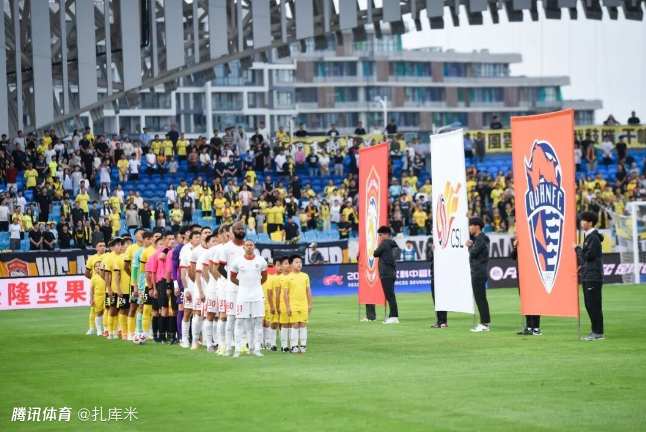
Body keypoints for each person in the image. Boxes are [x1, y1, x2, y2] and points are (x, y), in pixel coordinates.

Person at [230, 239, 268, 357]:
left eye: (251, 245)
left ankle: (257, 349)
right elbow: (232, 277)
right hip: (242, 296)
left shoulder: (261, 261)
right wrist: (243, 285)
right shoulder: (237, 261)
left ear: (254, 247)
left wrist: (255, 286)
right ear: (244, 247)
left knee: (258, 321)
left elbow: (264, 277)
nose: (249, 247)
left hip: (257, 295)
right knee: (239, 322)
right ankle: (237, 350)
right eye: (247, 245)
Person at [217, 222, 248, 356]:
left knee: (244, 316)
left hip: (246, 288)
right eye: (238, 229)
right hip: (231, 288)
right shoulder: (226, 248)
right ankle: (227, 346)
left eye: (242, 228)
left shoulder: (248, 246)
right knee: (231, 316)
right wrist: (231, 279)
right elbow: (220, 268)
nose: (241, 230)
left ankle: (243, 344)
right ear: (232, 231)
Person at [574, 211, 605, 340]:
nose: (581, 222)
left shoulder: (593, 238)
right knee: (589, 305)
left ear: (590, 223)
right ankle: (595, 331)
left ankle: (598, 332)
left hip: (593, 276)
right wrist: (582, 266)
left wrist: (577, 249)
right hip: (588, 274)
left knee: (594, 305)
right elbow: (588, 258)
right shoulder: (589, 237)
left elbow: (590, 256)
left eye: (583, 221)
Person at [186, 227, 212, 349]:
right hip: (199, 285)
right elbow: (192, 272)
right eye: (205, 232)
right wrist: (198, 286)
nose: (207, 234)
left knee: (210, 314)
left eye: (209, 232)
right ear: (201, 235)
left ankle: (208, 340)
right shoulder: (196, 252)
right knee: (198, 313)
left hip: (213, 286)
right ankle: (195, 341)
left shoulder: (216, 250)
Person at [511, 238, 541, 336]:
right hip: (522, 278)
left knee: (534, 302)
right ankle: (529, 327)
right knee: (525, 303)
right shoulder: (519, 244)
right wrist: (515, 247)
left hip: (532, 277)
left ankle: (536, 328)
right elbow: (512, 257)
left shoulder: (533, 243)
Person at [466, 217, 491, 332]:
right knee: (480, 298)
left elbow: (473, 254)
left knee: (480, 298)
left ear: (477, 227)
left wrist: (469, 246)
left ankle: (484, 324)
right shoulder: (479, 239)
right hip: (478, 271)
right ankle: (484, 323)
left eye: (471, 225)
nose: (469, 228)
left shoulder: (480, 239)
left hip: (478, 272)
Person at [284, 255, 312, 354]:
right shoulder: (288, 278)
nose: (299, 264)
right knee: (295, 325)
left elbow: (308, 291)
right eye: (296, 262)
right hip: (293, 305)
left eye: (300, 262)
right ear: (291, 265)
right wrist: (288, 307)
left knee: (303, 325)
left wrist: (309, 304)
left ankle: (303, 346)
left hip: (303, 304)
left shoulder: (305, 276)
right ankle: (294, 346)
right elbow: (285, 294)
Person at [196, 232, 219, 352]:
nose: (215, 243)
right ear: (207, 243)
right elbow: (203, 273)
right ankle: (208, 342)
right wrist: (211, 284)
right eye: (213, 241)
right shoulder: (205, 255)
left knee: (220, 316)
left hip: (221, 289)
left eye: (216, 241)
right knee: (209, 315)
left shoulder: (221, 252)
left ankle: (218, 341)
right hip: (210, 289)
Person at [373, 226, 399, 324]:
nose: (379, 237)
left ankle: (394, 317)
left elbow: (375, 253)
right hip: (392, 272)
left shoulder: (384, 244)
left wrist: (378, 248)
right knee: (391, 295)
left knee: (389, 296)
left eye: (381, 235)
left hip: (386, 273)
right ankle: (392, 316)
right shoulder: (393, 244)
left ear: (387, 235)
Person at [84, 241, 106, 335]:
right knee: (94, 310)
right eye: (100, 246)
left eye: (104, 246)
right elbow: (87, 273)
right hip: (97, 287)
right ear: (96, 248)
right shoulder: (92, 259)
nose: (102, 247)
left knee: (107, 310)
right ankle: (92, 328)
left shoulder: (108, 256)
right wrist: (95, 279)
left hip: (106, 286)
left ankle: (107, 329)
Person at [275, 256, 293, 352]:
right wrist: (277, 306)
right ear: (281, 266)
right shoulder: (279, 278)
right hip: (283, 305)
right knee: (284, 325)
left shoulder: (293, 276)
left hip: (293, 304)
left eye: (289, 263)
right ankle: (284, 346)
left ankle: (292, 346)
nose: (288, 265)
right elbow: (277, 294)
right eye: (286, 263)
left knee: (292, 325)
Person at [89, 261, 107, 337]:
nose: (98, 267)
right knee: (98, 313)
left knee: (106, 312)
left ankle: (106, 329)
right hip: (97, 297)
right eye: (96, 266)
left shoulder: (106, 275)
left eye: (99, 266)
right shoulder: (94, 278)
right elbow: (91, 289)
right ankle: (99, 330)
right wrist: (91, 299)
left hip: (106, 296)